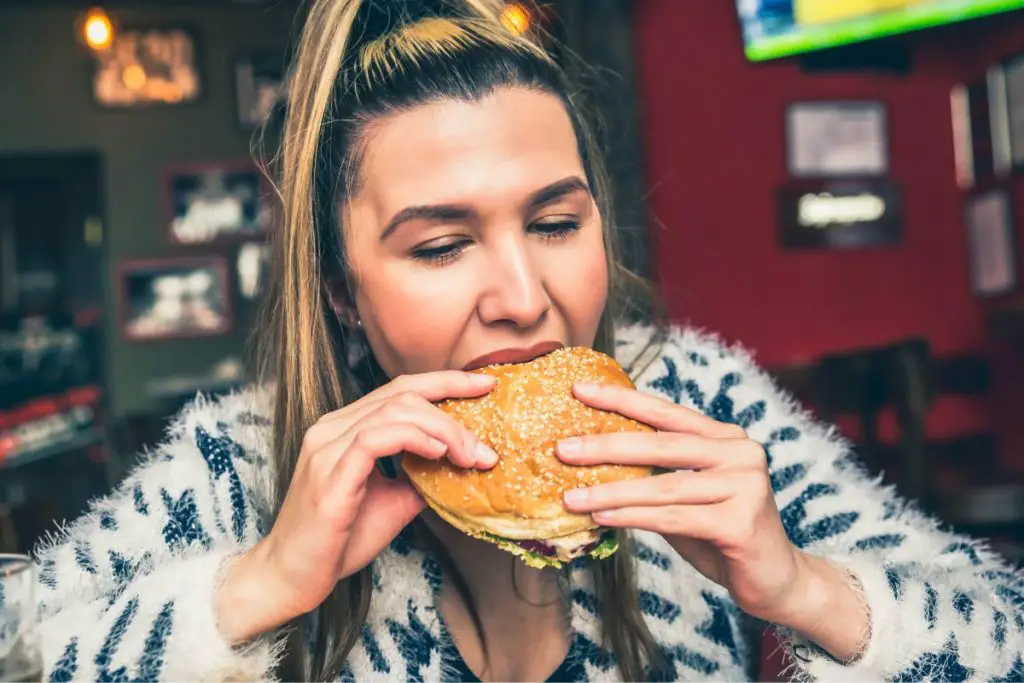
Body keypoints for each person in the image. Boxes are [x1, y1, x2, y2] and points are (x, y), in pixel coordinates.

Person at [31, 1, 1024, 681]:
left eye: (555, 224)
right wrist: (257, 587)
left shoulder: (696, 403)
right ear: (340, 288)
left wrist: (802, 586)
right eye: (440, 243)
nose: (522, 295)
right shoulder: (240, 465)